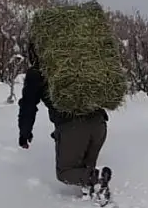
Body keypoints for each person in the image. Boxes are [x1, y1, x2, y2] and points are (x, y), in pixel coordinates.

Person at [17, 42, 111, 197]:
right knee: (86, 167)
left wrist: (24, 132)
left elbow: (28, 106)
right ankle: (94, 190)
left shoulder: (37, 73)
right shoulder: (76, 61)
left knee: (65, 172)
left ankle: (97, 178)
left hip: (72, 127)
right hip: (99, 123)